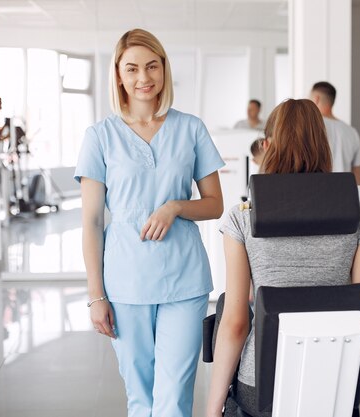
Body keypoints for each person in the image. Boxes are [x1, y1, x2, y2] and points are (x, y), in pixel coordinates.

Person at [206, 99, 360, 417]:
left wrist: (214, 407)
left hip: (262, 389)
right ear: (323, 145)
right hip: (337, 382)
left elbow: (236, 324)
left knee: (228, 304)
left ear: (268, 145)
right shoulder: (357, 217)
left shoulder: (241, 218)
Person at [74, 28, 225, 417]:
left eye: (152, 66)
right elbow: (91, 221)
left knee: (174, 396)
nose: (144, 78)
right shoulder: (100, 136)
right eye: (133, 68)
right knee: (140, 396)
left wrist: (175, 206)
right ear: (119, 75)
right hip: (124, 282)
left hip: (184, 279)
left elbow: (214, 205)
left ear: (164, 70)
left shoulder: (191, 128)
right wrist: (96, 295)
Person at [310, 81, 360, 184]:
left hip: (317, 191)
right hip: (344, 194)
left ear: (316, 99)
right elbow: (358, 175)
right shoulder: (351, 132)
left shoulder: (310, 128)